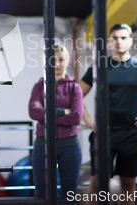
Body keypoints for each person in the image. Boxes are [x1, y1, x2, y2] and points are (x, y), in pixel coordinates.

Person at [79, 23, 137, 205]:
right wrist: (89, 120)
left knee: (128, 184)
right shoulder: (99, 67)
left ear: (130, 41)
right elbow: (76, 94)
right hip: (103, 134)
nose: (119, 42)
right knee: (98, 183)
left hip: (131, 133)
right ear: (110, 42)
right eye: (115, 38)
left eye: (123, 38)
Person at [28, 44, 83, 202]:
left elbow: (76, 117)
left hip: (69, 147)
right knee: (42, 196)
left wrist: (45, 112)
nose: (57, 64)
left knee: (69, 197)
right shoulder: (39, 87)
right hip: (42, 145)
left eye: (61, 59)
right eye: (53, 60)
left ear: (67, 62)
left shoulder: (75, 88)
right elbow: (33, 112)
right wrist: (63, 111)